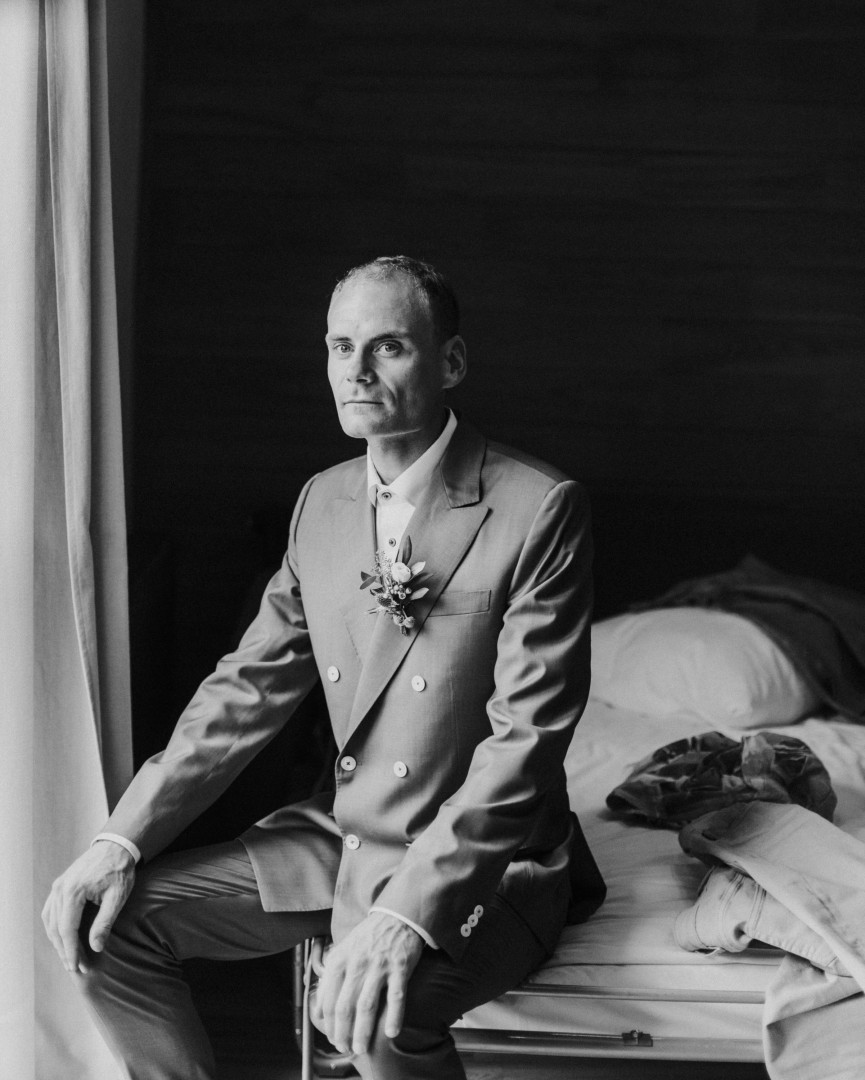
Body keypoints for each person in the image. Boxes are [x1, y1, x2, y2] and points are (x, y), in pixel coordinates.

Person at [42, 255, 605, 1080]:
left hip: (487, 863)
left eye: (388, 347)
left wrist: (406, 917)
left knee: (379, 1018)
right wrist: (121, 838)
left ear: (450, 362)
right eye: (341, 347)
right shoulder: (321, 502)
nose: (356, 371)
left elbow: (526, 741)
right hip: (345, 836)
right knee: (108, 928)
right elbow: (246, 690)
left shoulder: (537, 507)